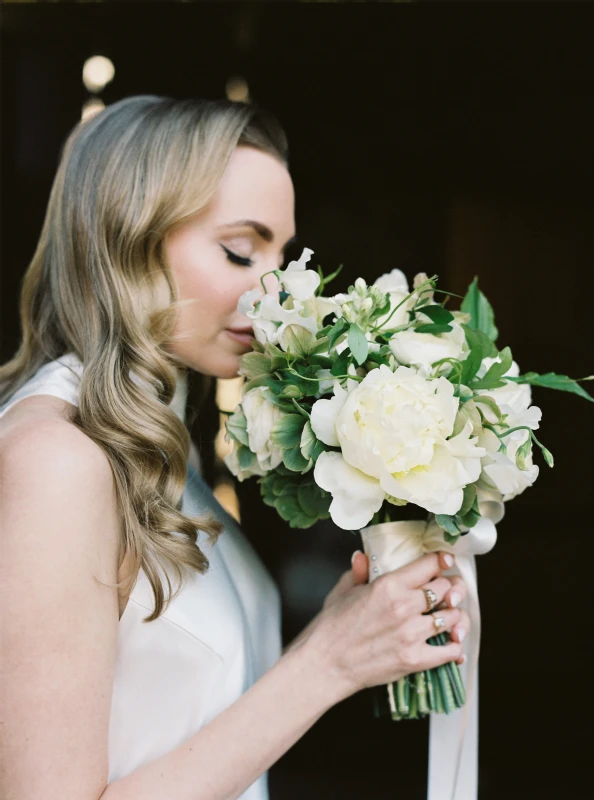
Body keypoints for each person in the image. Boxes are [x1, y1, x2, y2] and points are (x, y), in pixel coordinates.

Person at [0, 96, 469, 800]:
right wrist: (327, 662)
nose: (276, 288)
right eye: (240, 251)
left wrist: (359, 622)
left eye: (280, 255)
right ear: (128, 238)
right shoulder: (58, 458)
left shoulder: (153, 443)